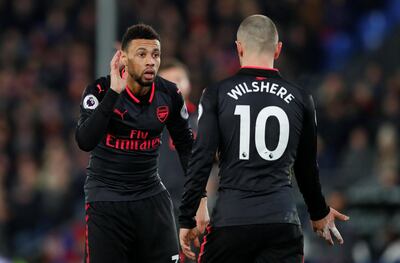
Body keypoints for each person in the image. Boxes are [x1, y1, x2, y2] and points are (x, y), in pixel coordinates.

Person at [179, 15, 349, 263]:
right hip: (281, 222)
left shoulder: (216, 94)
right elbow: (306, 168)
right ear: (278, 50)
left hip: (231, 221)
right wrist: (318, 212)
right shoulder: (302, 99)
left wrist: (187, 216)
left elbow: (201, 158)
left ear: (238, 47)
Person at [75, 23, 206, 263]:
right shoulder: (100, 90)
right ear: (123, 58)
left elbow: (187, 148)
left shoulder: (169, 94)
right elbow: (85, 140)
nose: (151, 61)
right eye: (142, 54)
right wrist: (114, 93)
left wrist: (202, 199)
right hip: (106, 200)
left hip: (150, 197)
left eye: (155, 55)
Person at [158, 60, 210, 262]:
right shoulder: (148, 121)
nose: (175, 85)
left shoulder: (204, 122)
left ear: (189, 83)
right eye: (168, 81)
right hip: (158, 207)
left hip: (192, 208)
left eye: (178, 79)